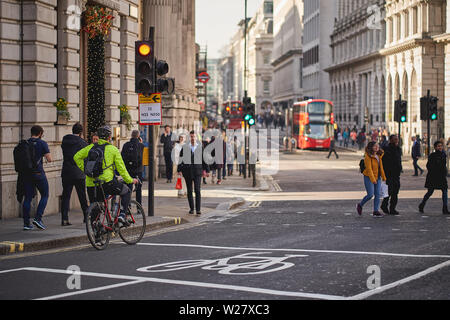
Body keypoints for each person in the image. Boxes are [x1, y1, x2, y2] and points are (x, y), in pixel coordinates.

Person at [74, 126, 139, 225]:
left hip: (91, 183)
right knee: (126, 191)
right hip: (106, 182)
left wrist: (85, 169)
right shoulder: (113, 149)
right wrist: (130, 180)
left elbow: (76, 157)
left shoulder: (90, 147)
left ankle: (96, 233)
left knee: (95, 206)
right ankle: (122, 215)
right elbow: (121, 169)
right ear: (109, 137)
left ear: (98, 137)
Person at [21, 126, 53, 230]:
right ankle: (38, 218)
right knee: (45, 194)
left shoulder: (25, 143)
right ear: (40, 133)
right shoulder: (42, 143)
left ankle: (26, 224)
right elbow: (49, 159)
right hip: (38, 173)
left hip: (27, 174)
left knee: (28, 198)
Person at [61, 123, 89, 226]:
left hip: (66, 172)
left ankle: (64, 219)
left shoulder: (65, 140)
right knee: (82, 196)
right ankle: (86, 217)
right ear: (81, 132)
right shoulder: (83, 143)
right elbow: (86, 158)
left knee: (66, 196)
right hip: (79, 173)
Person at [177, 130, 206, 215]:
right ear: (190, 137)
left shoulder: (200, 146)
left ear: (196, 137)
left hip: (197, 171)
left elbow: (204, 159)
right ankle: (191, 208)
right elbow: (181, 158)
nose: (193, 138)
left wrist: (205, 170)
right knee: (189, 190)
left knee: (197, 190)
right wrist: (179, 170)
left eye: (194, 136)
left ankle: (198, 209)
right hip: (187, 171)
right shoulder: (185, 147)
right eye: (191, 136)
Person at [356, 141, 387, 217]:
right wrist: (373, 180)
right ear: (371, 147)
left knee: (377, 195)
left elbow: (381, 168)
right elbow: (369, 169)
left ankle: (375, 211)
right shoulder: (368, 156)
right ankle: (360, 205)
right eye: (375, 146)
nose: (377, 147)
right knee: (370, 194)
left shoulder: (378, 155)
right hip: (368, 177)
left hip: (378, 177)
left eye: (378, 146)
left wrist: (383, 177)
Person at [419, 141, 449, 215]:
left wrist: (445, 172)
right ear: (435, 147)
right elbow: (428, 166)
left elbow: (444, 166)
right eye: (438, 146)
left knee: (445, 191)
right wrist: (435, 170)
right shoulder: (432, 155)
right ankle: (422, 204)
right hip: (433, 176)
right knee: (430, 192)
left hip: (441, 177)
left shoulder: (443, 155)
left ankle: (445, 208)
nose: (440, 147)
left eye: (441, 146)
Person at [380, 135, 402, 215]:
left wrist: (400, 168)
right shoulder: (386, 149)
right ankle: (384, 205)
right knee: (389, 191)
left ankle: (392, 208)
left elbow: (399, 160)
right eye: (395, 139)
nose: (397, 140)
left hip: (396, 173)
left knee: (395, 192)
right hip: (389, 173)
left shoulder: (398, 149)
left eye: (397, 139)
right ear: (390, 140)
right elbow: (383, 161)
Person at [121, 130, 144, 206]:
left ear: (131, 135)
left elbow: (122, 157)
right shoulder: (141, 146)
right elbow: (144, 159)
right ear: (138, 136)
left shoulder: (126, 145)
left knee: (128, 189)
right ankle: (139, 207)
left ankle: (128, 206)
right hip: (138, 170)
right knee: (138, 189)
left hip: (128, 170)